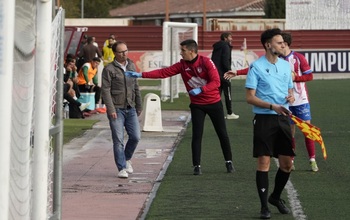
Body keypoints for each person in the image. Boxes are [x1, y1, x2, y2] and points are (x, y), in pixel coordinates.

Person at [125, 39, 235, 175]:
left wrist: (201, 89)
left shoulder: (206, 62)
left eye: (183, 50)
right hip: (197, 105)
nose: (180, 53)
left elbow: (216, 82)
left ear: (192, 51)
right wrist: (141, 74)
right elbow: (164, 72)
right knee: (196, 135)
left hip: (214, 103)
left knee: (222, 133)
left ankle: (228, 162)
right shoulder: (182, 65)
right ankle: (197, 166)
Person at [244, 28, 295, 219]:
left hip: (283, 118)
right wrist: (272, 106)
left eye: (283, 42)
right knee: (264, 161)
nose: (283, 45)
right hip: (264, 118)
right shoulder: (256, 67)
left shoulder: (284, 66)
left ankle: (275, 197)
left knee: (287, 164)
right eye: (279, 42)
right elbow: (250, 98)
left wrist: (290, 96)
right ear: (268, 45)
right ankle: (264, 206)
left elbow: (290, 90)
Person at [101, 41, 142, 179]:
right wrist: (110, 108)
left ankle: (127, 158)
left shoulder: (131, 65)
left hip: (130, 107)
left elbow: (135, 85)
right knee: (118, 139)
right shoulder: (109, 69)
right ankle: (122, 167)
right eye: (121, 52)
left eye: (126, 50)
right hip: (116, 109)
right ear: (115, 53)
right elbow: (105, 90)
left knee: (136, 136)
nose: (124, 54)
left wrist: (139, 104)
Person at [281, 32, 318, 172]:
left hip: (301, 100)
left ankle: (312, 160)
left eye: (280, 42)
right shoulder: (277, 59)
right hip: (286, 101)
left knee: (307, 131)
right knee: (290, 133)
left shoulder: (298, 57)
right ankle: (291, 159)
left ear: (285, 43)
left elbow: (309, 76)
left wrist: (295, 78)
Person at [211, 32, 239, 119]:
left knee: (217, 94)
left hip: (216, 73)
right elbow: (225, 60)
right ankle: (230, 113)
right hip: (224, 74)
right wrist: (228, 71)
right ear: (225, 38)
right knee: (228, 94)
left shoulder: (216, 47)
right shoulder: (225, 46)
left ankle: (215, 113)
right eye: (230, 37)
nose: (232, 39)